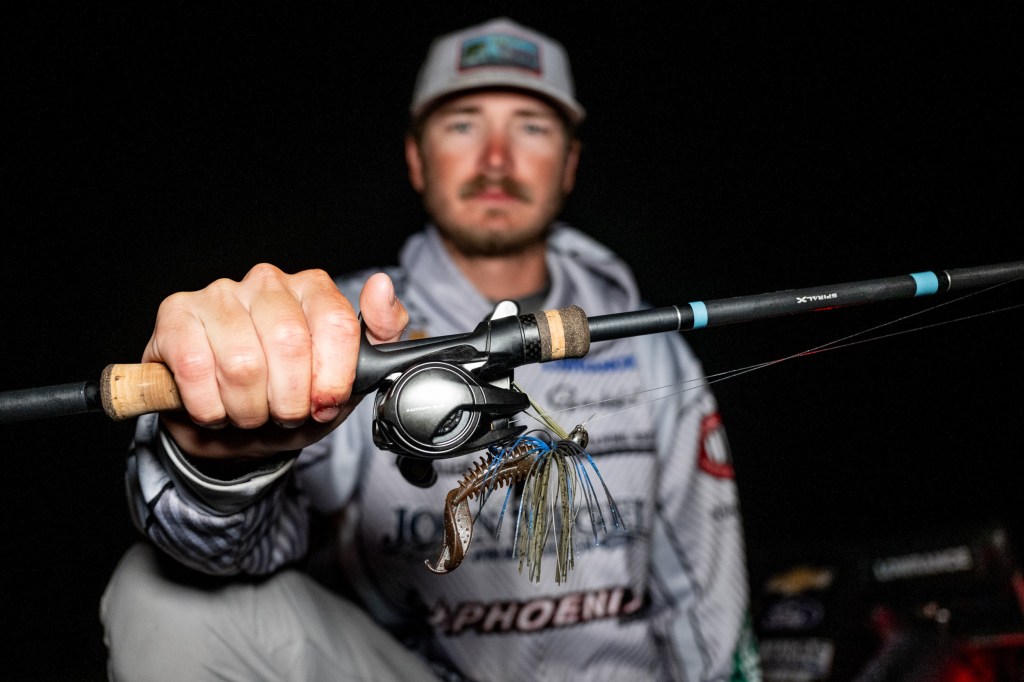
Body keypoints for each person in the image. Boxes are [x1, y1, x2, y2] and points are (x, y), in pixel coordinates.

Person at [101, 16, 760, 681]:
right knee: (158, 595)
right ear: (417, 160)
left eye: (531, 127)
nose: (496, 158)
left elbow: (705, 588)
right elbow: (228, 550)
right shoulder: (339, 326)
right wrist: (217, 459)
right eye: (463, 125)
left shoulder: (651, 345)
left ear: (569, 165)